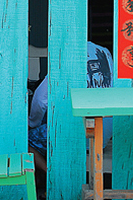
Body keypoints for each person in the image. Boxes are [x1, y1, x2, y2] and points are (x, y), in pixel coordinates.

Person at [28, 41, 114, 187]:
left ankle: (54, 177)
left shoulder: (68, 53)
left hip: (75, 134)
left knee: (23, 140)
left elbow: (41, 100)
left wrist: (32, 123)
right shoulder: (104, 52)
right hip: (104, 134)